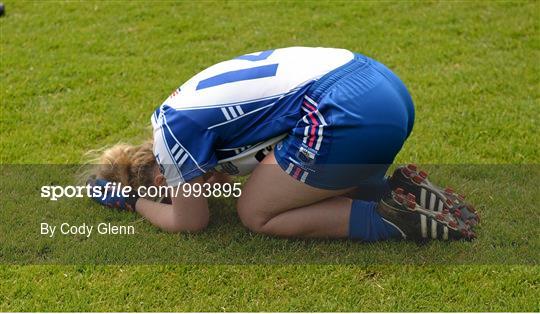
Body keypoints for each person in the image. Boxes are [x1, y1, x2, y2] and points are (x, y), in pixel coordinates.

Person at [88, 47, 479, 242]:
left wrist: (132, 203)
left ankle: (391, 221)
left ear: (161, 184)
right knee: (289, 179)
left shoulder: (172, 140)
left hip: (344, 108)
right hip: (378, 80)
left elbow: (190, 223)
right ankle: (395, 190)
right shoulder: (177, 110)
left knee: (256, 212)